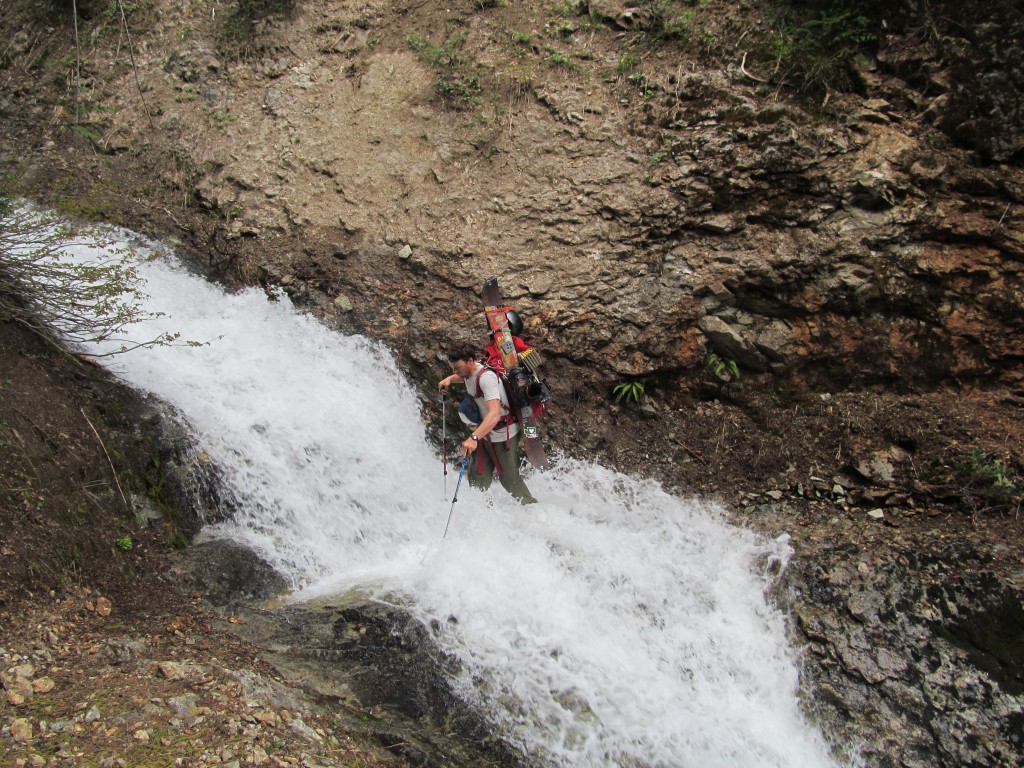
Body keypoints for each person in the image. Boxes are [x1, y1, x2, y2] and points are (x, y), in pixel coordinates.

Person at [439, 345, 537, 505]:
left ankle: (532, 508)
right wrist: (449, 379)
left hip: (503, 433)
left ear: (470, 361)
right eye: (453, 369)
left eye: (457, 368)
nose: (455, 372)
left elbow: (494, 413)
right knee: (478, 477)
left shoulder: (486, 379)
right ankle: (483, 514)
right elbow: (464, 377)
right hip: (485, 433)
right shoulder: (469, 371)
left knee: (509, 479)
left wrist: (474, 437)